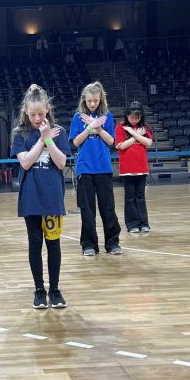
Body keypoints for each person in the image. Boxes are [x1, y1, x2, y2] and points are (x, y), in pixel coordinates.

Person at [11, 83, 71, 309]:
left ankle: (55, 290)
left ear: (47, 110)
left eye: (41, 113)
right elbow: (26, 163)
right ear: (26, 112)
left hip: (52, 197)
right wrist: (41, 139)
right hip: (31, 198)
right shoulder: (19, 134)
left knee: (53, 244)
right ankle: (39, 290)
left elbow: (61, 162)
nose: (37, 118)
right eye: (33, 114)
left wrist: (49, 139)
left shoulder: (59, 132)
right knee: (35, 243)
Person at [70, 81, 121, 256]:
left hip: (103, 167)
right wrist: (89, 128)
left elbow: (111, 141)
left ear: (101, 99)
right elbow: (75, 142)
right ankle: (89, 244)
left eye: (96, 101)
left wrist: (98, 127)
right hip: (85, 168)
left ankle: (112, 243)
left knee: (108, 208)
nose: (93, 104)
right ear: (84, 99)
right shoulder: (78, 117)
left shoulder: (107, 116)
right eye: (90, 100)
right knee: (87, 209)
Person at [114, 101, 153, 233]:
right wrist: (137, 136)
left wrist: (134, 134)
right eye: (132, 117)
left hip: (141, 167)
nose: (135, 120)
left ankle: (144, 223)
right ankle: (132, 224)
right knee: (130, 196)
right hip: (127, 169)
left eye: (138, 117)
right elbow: (121, 146)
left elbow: (148, 143)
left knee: (140, 196)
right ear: (127, 115)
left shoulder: (145, 127)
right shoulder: (120, 127)